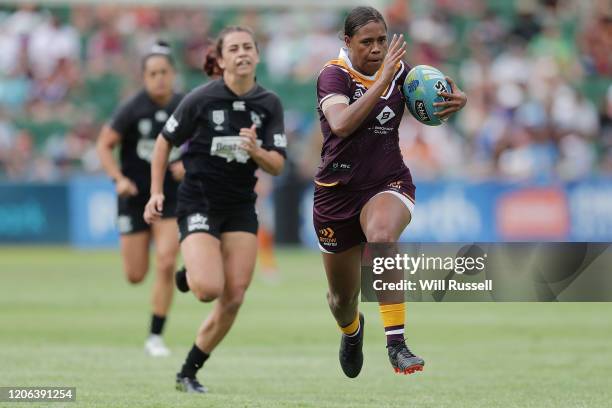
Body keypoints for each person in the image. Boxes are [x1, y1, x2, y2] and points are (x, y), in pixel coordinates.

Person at [313, 6, 466, 378]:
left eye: (382, 40)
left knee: (382, 236)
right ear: (347, 42)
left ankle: (396, 344)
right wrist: (381, 82)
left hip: (387, 181)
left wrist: (453, 102)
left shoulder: (399, 71)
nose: (378, 48)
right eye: (367, 42)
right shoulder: (333, 76)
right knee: (342, 300)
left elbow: (430, 93)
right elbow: (342, 123)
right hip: (336, 194)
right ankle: (351, 332)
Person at [144, 26, 287, 393]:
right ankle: (190, 276)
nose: (242, 53)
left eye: (248, 47)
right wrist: (156, 192)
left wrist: (255, 151)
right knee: (208, 289)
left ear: (257, 55)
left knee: (234, 296)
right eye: (234, 48)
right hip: (199, 202)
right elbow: (163, 143)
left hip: (240, 206)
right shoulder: (200, 98)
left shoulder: (269, 103)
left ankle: (188, 372)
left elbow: (277, 164)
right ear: (221, 60)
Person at [96, 41, 184, 357]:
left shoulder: (185, 105)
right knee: (135, 275)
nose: (159, 78)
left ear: (173, 74)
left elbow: (202, 143)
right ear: (144, 77)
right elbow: (104, 144)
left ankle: (155, 337)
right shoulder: (132, 108)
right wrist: (118, 180)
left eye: (164, 72)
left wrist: (187, 162)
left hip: (169, 198)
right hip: (134, 198)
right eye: (152, 73)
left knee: (166, 261)